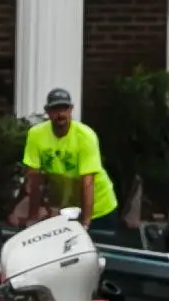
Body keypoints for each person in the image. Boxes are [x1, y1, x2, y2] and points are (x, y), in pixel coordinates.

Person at [19, 88, 117, 230]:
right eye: (55, 109)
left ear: (71, 109)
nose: (60, 114)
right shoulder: (36, 135)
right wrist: (32, 218)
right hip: (69, 210)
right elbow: (34, 178)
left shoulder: (85, 136)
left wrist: (85, 223)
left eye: (64, 108)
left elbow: (87, 182)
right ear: (47, 111)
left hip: (99, 208)